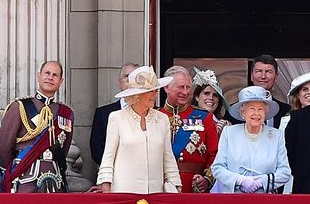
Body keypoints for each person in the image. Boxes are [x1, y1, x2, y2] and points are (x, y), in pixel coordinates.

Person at [94, 65, 180, 193]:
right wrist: (106, 186)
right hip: (123, 192)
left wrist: (176, 184)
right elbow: (108, 157)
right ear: (137, 95)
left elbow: (168, 157)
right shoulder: (117, 118)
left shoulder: (162, 119)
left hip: (156, 193)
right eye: (151, 91)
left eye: (156, 90)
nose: (155, 95)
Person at [0, 60, 73, 193]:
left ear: (61, 81)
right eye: (47, 73)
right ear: (39, 76)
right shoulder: (20, 107)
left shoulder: (66, 113)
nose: (50, 77)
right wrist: (10, 173)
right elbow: (3, 147)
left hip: (54, 178)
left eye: (55, 75)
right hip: (25, 177)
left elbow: (63, 149)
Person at [209, 86, 291, 193]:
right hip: (232, 198)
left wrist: (261, 182)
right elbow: (218, 168)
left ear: (265, 113)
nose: (256, 114)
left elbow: (285, 172)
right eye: (252, 108)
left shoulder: (276, 136)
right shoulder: (229, 133)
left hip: (264, 199)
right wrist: (240, 180)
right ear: (243, 112)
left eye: (260, 109)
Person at [157, 65, 218, 193]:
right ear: (166, 87)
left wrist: (207, 180)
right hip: (159, 186)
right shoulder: (154, 116)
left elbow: (216, 155)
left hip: (192, 188)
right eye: (180, 87)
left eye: (188, 87)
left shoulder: (204, 117)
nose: (185, 92)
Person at [90, 63, 138, 164]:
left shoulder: (153, 112)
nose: (130, 80)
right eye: (126, 76)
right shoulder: (103, 114)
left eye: (134, 76)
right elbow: (97, 150)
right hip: (112, 174)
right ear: (120, 82)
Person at [250, 53, 291, 126]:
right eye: (259, 71)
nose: (263, 76)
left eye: (268, 72)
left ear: (276, 76)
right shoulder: (235, 111)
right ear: (251, 76)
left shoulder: (286, 110)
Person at [191, 68, 231, 134]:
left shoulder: (224, 126)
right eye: (206, 93)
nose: (211, 98)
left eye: (215, 95)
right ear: (197, 97)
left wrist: (225, 133)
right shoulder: (187, 120)